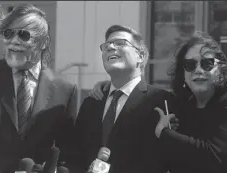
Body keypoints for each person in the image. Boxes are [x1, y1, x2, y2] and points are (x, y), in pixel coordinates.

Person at [0, 4, 77, 173]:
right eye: (8, 33)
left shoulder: (65, 89)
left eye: (24, 35)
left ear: (44, 42)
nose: (14, 40)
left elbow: (67, 152)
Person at [69, 25, 176, 173]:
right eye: (106, 45)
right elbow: (75, 154)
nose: (111, 47)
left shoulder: (161, 101)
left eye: (120, 43)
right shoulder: (92, 102)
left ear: (141, 56)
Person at [153, 31, 227, 173]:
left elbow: (214, 157)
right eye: (190, 65)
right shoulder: (183, 109)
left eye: (207, 63)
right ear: (182, 73)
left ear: (220, 70)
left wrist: (164, 133)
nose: (198, 70)